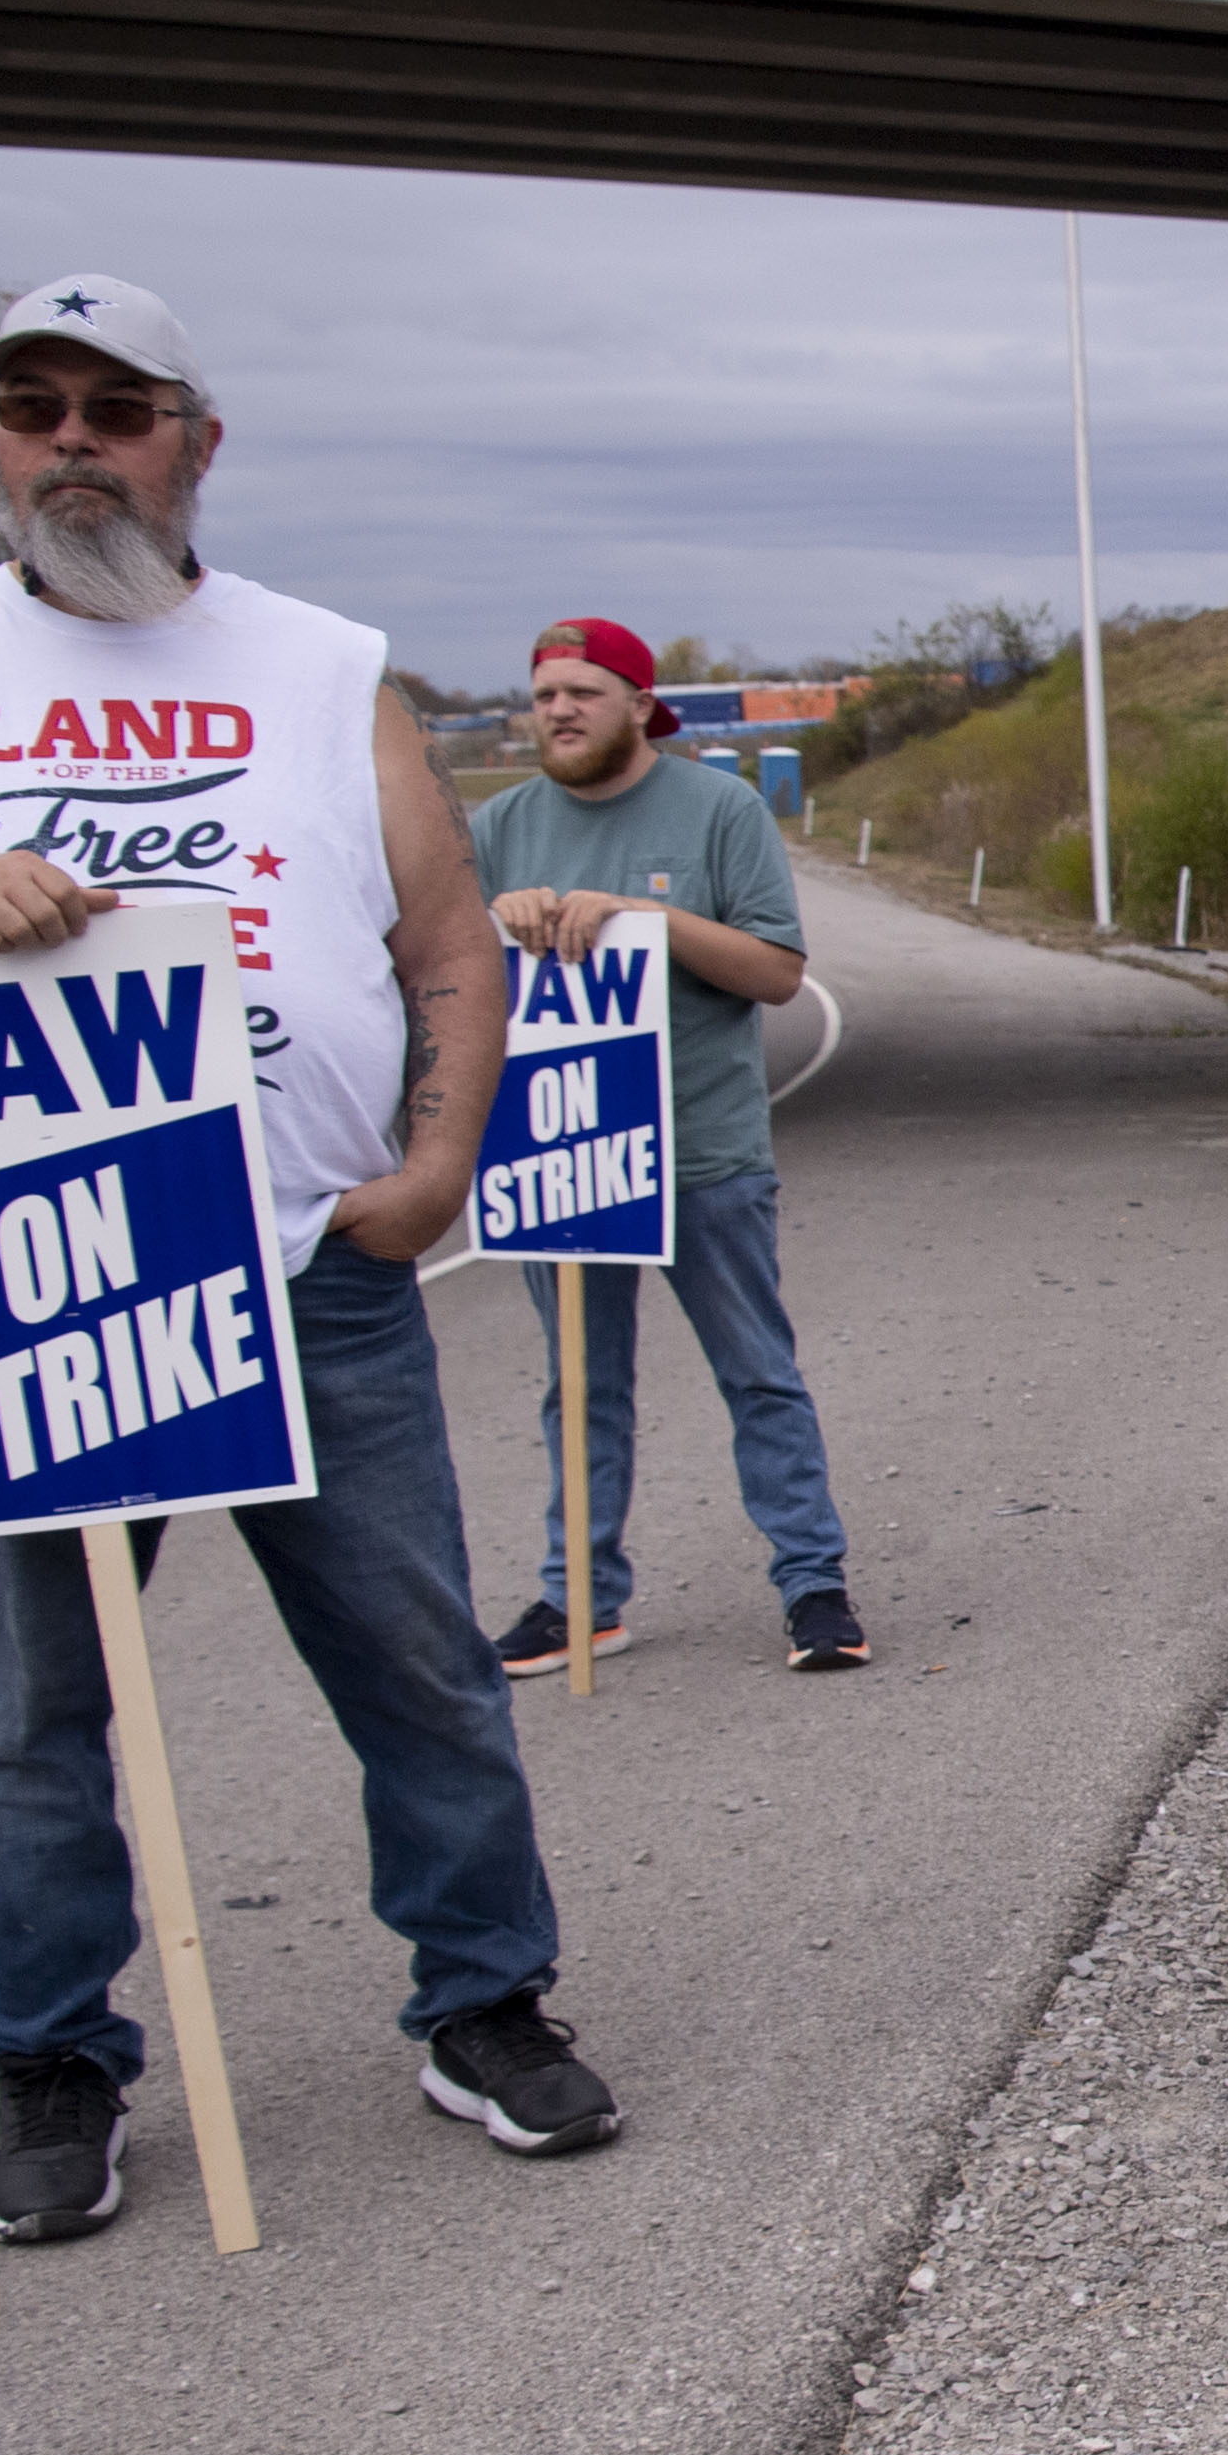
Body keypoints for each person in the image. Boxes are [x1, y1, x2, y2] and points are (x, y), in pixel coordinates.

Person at [0, 272, 617, 2240]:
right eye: (32, 407)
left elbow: (449, 942)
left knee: (415, 1658)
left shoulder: (322, 668)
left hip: (310, 1252)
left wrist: (437, 1166)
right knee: (31, 1696)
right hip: (32, 1266)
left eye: (115, 408)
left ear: (192, 442)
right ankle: (52, 2059)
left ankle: (485, 2002)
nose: (71, 441)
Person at [469, 619, 870, 1676]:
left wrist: (646, 920)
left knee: (756, 1371)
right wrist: (491, 926)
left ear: (642, 705)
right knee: (581, 1383)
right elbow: (440, 981)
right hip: (563, 1154)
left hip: (701, 1147)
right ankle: (580, 1598)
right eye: (545, 691)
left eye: (585, 691)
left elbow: (778, 973)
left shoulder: (719, 809)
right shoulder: (500, 826)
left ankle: (813, 1583)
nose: (560, 710)